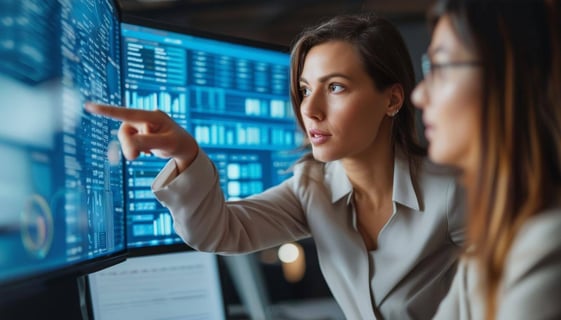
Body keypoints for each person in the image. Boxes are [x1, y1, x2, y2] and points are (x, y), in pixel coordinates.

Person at [87, 13, 465, 319]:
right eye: (304, 89)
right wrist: (186, 156)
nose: (310, 110)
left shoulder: (453, 192)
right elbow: (219, 232)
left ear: (392, 99)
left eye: (335, 87)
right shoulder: (311, 186)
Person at [411, 0, 561, 319]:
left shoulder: (549, 245)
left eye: (439, 67)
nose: (419, 95)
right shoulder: (488, 246)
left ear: (507, 75)